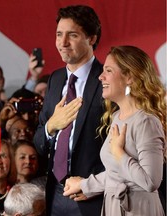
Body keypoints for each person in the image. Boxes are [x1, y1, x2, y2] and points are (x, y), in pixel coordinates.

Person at [63, 46, 166, 216]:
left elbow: (150, 181)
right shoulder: (117, 116)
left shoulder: (146, 122)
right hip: (114, 207)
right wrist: (84, 185)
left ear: (130, 77)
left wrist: (119, 153)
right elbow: (117, 176)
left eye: (108, 70)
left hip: (139, 210)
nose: (100, 77)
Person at [33, 5, 105, 216]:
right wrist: (51, 126)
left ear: (91, 38)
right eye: (58, 35)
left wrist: (93, 185)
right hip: (55, 191)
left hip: (91, 194)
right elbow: (38, 141)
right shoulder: (55, 79)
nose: (62, 43)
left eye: (72, 35)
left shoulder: (106, 80)